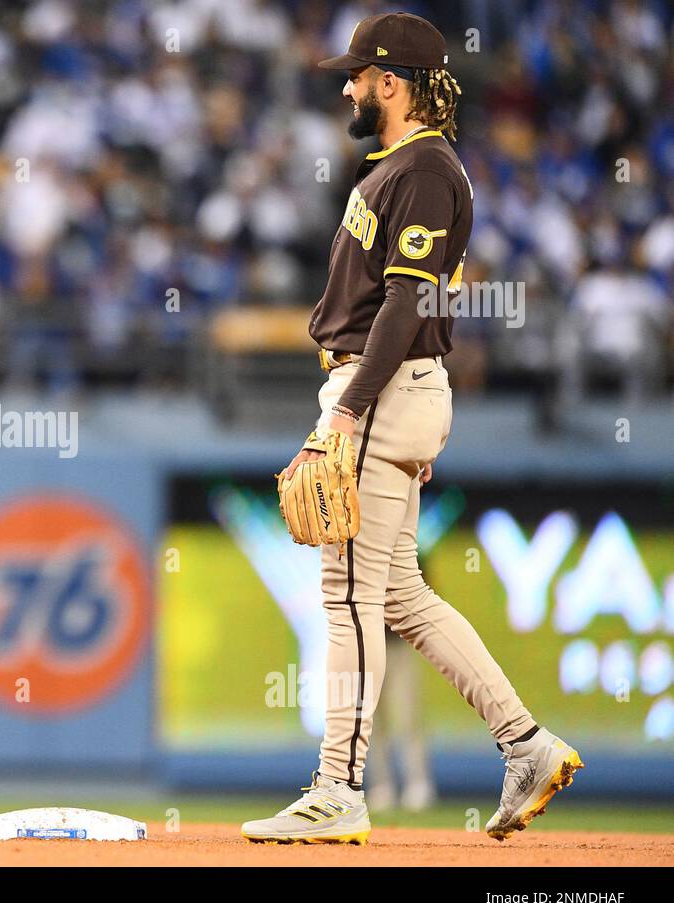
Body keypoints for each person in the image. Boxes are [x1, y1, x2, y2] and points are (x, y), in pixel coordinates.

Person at [243, 13, 582, 845]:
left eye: (358, 76)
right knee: (397, 594)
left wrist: (354, 412)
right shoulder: (403, 167)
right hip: (392, 389)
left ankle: (338, 787)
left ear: (392, 83)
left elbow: (407, 301)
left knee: (349, 593)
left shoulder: (425, 168)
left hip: (378, 389)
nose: (349, 88)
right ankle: (526, 744)